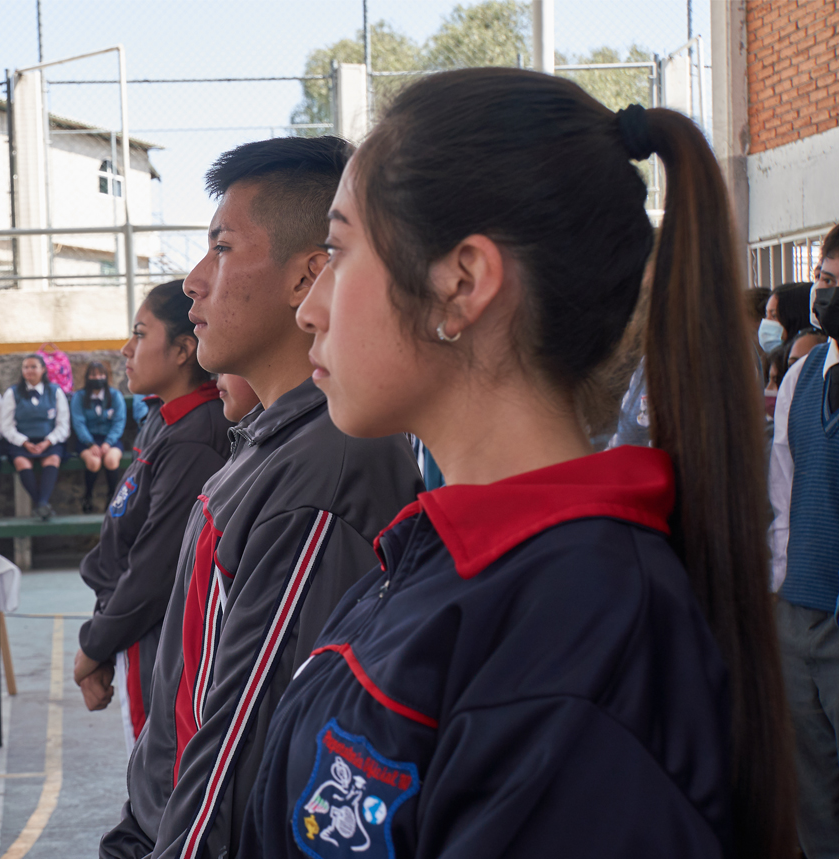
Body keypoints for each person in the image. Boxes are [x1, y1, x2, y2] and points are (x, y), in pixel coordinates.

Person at [237, 70, 794, 859]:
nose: (310, 305)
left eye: (338, 249)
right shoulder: (442, 562)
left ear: (461, 283)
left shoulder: (582, 626)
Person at [101, 137, 421, 859]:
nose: (193, 280)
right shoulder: (267, 446)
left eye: (221, 247)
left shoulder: (326, 467)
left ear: (306, 275)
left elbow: (242, 740)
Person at [74, 281, 234, 750]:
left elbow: (155, 569)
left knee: (156, 784)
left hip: (158, 640)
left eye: (141, 334)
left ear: (184, 349)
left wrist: (94, 645)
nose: (126, 348)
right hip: (130, 631)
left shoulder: (195, 437)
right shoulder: (162, 419)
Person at [769, 222, 839, 855]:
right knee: (812, 796)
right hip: (798, 616)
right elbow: (782, 498)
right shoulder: (801, 376)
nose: (826, 292)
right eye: (823, 277)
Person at [0, 354, 70, 521]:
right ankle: (42, 505)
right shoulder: (12, 393)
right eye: (26, 367)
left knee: (52, 460)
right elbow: (6, 425)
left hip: (49, 441)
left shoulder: (55, 391)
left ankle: (41, 503)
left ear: (43, 369)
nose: (29, 370)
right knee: (21, 462)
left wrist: (48, 442)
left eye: (33, 367)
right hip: (22, 441)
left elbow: (63, 424)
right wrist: (23, 442)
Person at [71, 361, 127, 513]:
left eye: (101, 374)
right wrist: (90, 443)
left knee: (111, 460)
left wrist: (108, 443)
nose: (98, 377)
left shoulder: (115, 395)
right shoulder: (79, 396)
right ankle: (88, 496)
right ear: (88, 377)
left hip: (110, 439)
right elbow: (79, 422)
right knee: (94, 462)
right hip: (87, 441)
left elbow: (119, 421)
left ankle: (112, 496)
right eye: (94, 374)